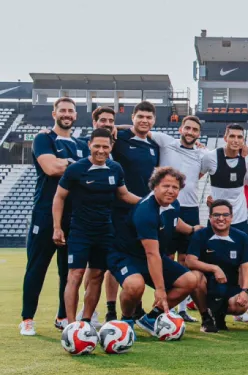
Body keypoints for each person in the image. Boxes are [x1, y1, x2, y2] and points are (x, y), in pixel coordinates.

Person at [51, 129, 139, 325]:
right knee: (75, 274)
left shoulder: (115, 168)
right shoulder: (75, 169)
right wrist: (57, 227)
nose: (101, 150)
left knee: (97, 275)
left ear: (111, 147)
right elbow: (59, 197)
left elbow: (124, 195)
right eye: (97, 146)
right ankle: (72, 325)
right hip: (80, 231)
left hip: (105, 231)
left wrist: (149, 201)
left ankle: (86, 321)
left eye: (105, 146)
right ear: (89, 145)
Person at [107, 167, 210, 335]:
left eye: (175, 187)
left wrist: (192, 229)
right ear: (155, 187)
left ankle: (151, 318)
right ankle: (127, 321)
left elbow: (175, 222)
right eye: (166, 186)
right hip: (126, 256)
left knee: (190, 281)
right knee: (135, 286)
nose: (170, 190)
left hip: (150, 256)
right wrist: (160, 290)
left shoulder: (173, 203)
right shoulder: (145, 211)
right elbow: (152, 254)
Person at [20, 98, 82, 335]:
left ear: (76, 115)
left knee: (68, 272)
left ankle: (62, 316)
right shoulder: (43, 138)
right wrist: (75, 164)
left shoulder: (80, 144)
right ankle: (27, 318)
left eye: (70, 111)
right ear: (54, 113)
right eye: (62, 110)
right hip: (45, 214)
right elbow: (51, 168)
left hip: (72, 217)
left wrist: (68, 162)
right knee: (37, 267)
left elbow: (86, 166)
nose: (66, 114)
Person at [104, 101, 162, 325]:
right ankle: (110, 309)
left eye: (149, 117)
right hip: (120, 210)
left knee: (138, 259)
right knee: (116, 261)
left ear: (154, 121)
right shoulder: (119, 139)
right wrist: (117, 127)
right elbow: (101, 134)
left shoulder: (153, 146)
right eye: (140, 117)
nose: (144, 121)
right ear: (133, 117)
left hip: (143, 211)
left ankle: (136, 308)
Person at [146, 115, 206, 321]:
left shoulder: (202, 154)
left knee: (185, 259)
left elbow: (198, 174)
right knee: (167, 257)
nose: (190, 132)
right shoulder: (165, 142)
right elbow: (141, 127)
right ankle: (165, 306)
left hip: (191, 208)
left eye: (195, 130)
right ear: (181, 129)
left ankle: (181, 308)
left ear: (199, 134)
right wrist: (116, 128)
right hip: (168, 207)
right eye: (187, 128)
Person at [186, 200, 248, 331]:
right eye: (216, 215)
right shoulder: (201, 235)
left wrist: (245, 291)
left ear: (231, 217)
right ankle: (206, 318)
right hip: (206, 286)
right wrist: (214, 268)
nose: (221, 218)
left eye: (225, 215)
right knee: (195, 276)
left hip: (229, 285)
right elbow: (190, 261)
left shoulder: (241, 237)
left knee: (240, 306)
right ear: (210, 217)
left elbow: (246, 267)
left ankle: (219, 316)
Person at [202, 123, 248, 231]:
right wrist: (206, 198)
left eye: (239, 137)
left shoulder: (247, 157)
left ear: (243, 140)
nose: (236, 140)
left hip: (240, 219)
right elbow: (195, 178)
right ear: (225, 138)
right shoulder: (211, 157)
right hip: (217, 218)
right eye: (232, 136)